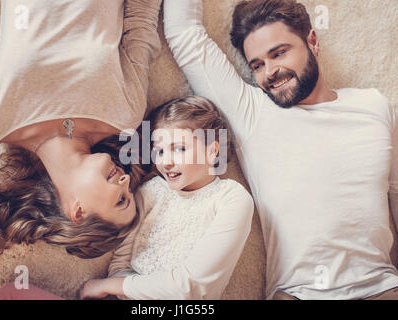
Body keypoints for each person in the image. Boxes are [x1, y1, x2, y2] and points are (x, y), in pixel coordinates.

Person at [163, 0, 398, 299]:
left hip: (381, 287)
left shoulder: (374, 106)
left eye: (279, 53)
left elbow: (396, 192)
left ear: (312, 41)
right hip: (298, 292)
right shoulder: (250, 111)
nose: (270, 72)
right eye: (257, 65)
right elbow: (183, 32)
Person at [0, 0, 162, 258]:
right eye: (130, 192)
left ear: (78, 212)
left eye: (120, 199)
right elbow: (141, 22)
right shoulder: (126, 115)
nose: (126, 181)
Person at [0, 95, 254, 300]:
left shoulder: (231, 199)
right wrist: (117, 286)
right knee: (12, 293)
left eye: (179, 148)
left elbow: (190, 286)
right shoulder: (154, 190)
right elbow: (121, 260)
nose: (166, 161)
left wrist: (111, 286)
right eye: (159, 150)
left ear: (212, 151)